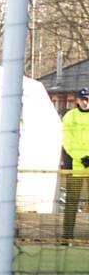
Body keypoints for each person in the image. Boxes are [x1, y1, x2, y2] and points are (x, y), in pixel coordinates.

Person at [61, 87, 89, 240]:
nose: (86, 102)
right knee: (72, 203)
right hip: (75, 167)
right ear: (77, 100)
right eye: (83, 99)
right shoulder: (70, 117)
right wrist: (81, 157)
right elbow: (67, 141)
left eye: (88, 99)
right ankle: (67, 237)